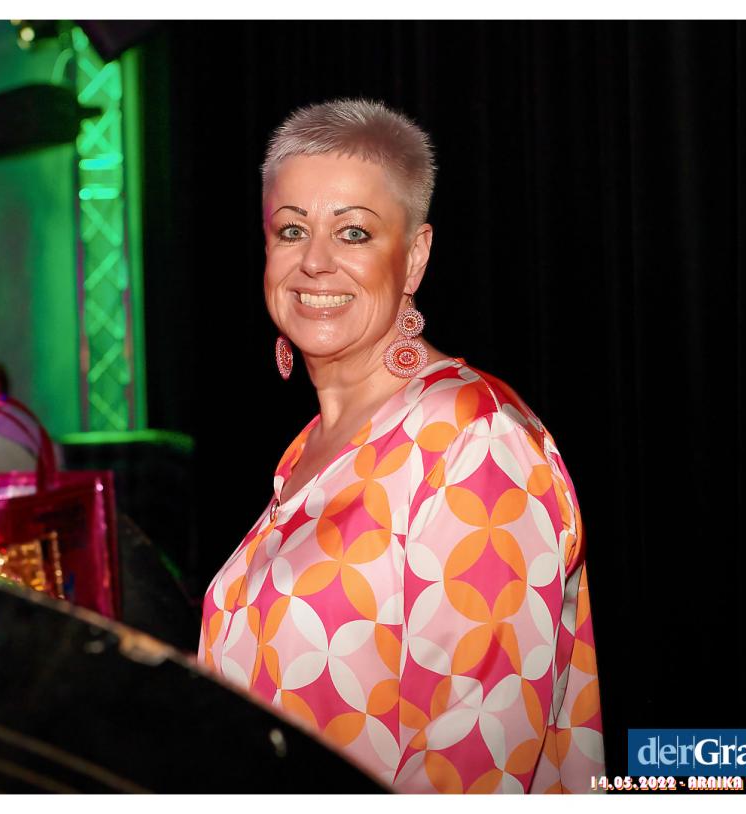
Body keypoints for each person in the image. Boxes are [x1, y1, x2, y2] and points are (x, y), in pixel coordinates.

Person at [196, 99, 604, 793]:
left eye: (353, 232)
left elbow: (473, 762)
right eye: (291, 230)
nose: (314, 261)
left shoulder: (475, 440)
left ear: (413, 258)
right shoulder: (307, 451)